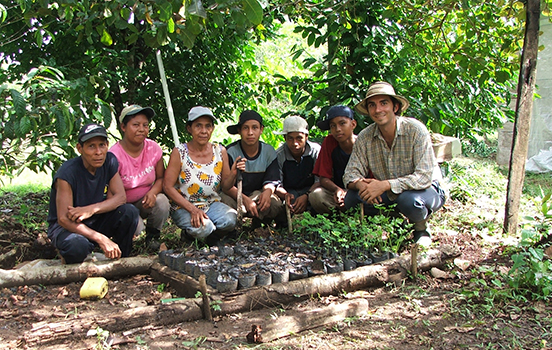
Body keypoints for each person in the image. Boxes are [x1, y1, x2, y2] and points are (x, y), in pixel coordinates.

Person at [343, 81, 446, 246]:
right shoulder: (365, 137)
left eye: (384, 103)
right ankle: (398, 224)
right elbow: (350, 173)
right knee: (352, 198)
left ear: (395, 107)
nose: (378, 110)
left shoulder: (415, 130)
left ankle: (421, 229)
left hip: (425, 189)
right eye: (372, 105)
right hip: (390, 192)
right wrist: (362, 185)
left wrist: (385, 185)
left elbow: (424, 177)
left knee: (409, 201)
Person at [47, 123, 140, 264]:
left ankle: (121, 258)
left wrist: (91, 209)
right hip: (69, 227)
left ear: (107, 145)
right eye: (91, 146)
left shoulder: (109, 161)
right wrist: (100, 238)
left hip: (94, 220)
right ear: (80, 148)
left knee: (129, 212)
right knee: (77, 246)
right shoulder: (67, 173)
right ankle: (70, 254)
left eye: (102, 145)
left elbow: (120, 197)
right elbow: (63, 219)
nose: (98, 152)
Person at [163, 106, 237, 241]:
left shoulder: (219, 151)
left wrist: (233, 173)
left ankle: (201, 237)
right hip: (184, 206)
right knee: (204, 228)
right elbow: (167, 187)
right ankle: (196, 235)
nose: (204, 131)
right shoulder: (179, 152)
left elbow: (226, 186)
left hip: (211, 204)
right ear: (189, 128)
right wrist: (192, 209)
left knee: (230, 219)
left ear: (212, 128)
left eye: (208, 126)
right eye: (198, 126)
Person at [109, 105, 170, 249]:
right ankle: (121, 236)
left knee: (162, 202)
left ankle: (153, 236)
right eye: (135, 125)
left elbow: (161, 178)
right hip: (123, 205)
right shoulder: (114, 156)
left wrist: (153, 192)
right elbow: (111, 193)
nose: (141, 129)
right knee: (136, 226)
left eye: (145, 125)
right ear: (123, 127)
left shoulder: (153, 148)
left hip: (144, 201)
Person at [221, 110, 285, 225]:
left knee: (274, 203)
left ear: (261, 130)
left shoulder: (268, 151)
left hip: (257, 195)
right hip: (235, 196)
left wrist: (268, 191)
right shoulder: (230, 152)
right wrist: (245, 200)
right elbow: (226, 187)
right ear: (239, 131)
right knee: (223, 203)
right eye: (245, 128)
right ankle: (232, 228)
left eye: (254, 128)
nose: (250, 133)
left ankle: (260, 223)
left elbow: (271, 180)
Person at [309, 105, 358, 214]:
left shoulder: (363, 144)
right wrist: (337, 190)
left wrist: (350, 194)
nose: (338, 129)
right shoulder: (329, 142)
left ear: (353, 124)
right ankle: (337, 218)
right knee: (316, 196)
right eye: (333, 126)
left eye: (342, 123)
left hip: (359, 192)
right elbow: (324, 178)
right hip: (336, 193)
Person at [274, 115, 321, 215]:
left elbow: (320, 179)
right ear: (285, 138)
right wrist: (286, 195)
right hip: (290, 192)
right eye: (290, 138)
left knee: (317, 197)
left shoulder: (316, 152)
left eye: (299, 138)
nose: (295, 143)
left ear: (306, 137)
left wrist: (307, 195)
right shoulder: (279, 155)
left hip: (311, 190)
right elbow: (277, 183)